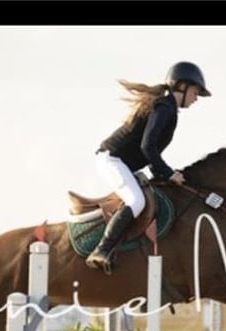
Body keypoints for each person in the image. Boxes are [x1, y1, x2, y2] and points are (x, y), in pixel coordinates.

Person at [86, 61, 211, 274]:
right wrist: (169, 173)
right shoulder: (164, 107)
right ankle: (101, 250)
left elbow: (150, 151)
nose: (196, 98)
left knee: (149, 196)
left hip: (125, 164)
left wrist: (163, 173)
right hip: (111, 160)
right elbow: (148, 146)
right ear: (181, 86)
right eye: (195, 91)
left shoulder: (168, 108)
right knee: (136, 201)